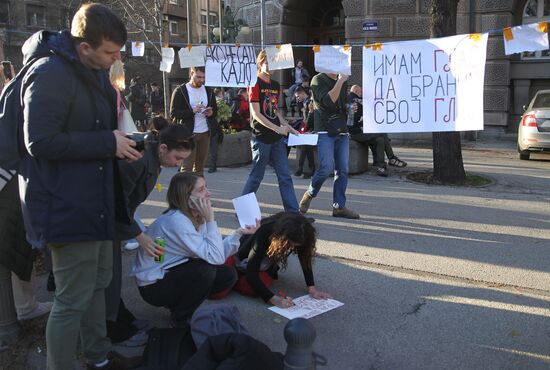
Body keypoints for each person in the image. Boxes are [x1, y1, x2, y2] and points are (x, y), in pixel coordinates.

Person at [18, 3, 143, 369]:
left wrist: (120, 143)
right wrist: (107, 142)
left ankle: (98, 357)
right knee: (72, 299)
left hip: (94, 201)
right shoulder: (51, 72)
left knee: (99, 281)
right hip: (65, 206)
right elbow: (38, 141)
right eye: (110, 52)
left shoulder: (93, 70)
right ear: (84, 47)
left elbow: (91, 132)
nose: (116, 59)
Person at [105, 123, 194, 346]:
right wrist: (139, 235)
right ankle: (113, 329)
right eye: (178, 158)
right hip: (103, 223)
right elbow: (117, 200)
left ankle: (120, 317)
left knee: (111, 277)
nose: (178, 164)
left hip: (114, 221)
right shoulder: (139, 159)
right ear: (163, 147)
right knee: (108, 277)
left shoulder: (152, 154)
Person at [131, 172, 259, 327]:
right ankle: (180, 319)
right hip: (152, 286)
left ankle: (180, 304)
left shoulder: (194, 216)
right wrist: (211, 220)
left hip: (170, 269)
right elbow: (216, 257)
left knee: (227, 275)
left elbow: (215, 255)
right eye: (201, 190)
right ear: (186, 197)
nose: (208, 193)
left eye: (206, 187)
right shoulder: (177, 222)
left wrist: (238, 233)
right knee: (205, 271)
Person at [0, 63, 53, 322]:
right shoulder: (21, 90)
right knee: (16, 247)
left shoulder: (12, 89)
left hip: (10, 180)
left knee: (16, 248)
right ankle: (24, 308)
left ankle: (22, 307)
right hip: (11, 183)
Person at [241, 50, 300, 213]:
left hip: (277, 138)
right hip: (261, 137)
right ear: (260, 63)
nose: (272, 67)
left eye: (275, 63)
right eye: (268, 63)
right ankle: (244, 212)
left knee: (285, 177)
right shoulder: (254, 83)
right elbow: (256, 113)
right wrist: (277, 128)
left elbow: (274, 111)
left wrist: (289, 128)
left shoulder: (275, 85)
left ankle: (293, 214)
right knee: (256, 177)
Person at [233, 212, 331, 308]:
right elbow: (251, 271)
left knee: (260, 283)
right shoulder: (265, 231)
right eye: (290, 244)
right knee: (250, 287)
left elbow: (304, 258)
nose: (292, 247)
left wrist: (312, 288)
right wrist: (273, 298)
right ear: (282, 238)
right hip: (244, 256)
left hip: (265, 261)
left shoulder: (303, 230)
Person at [299, 72, 360, 219]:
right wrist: (340, 82)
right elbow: (328, 101)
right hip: (325, 130)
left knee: (343, 169)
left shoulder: (342, 80)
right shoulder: (317, 79)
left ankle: (339, 207)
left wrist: (349, 108)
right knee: (326, 168)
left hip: (341, 129)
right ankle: (310, 193)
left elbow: (341, 103)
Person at [347, 85, 407, 177]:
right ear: (356, 91)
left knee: (380, 140)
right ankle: (391, 158)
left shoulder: (357, 101)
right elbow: (351, 126)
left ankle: (381, 166)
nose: (362, 94)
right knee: (381, 133)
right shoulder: (352, 101)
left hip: (360, 131)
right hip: (355, 133)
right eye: (361, 92)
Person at [170, 66, 218, 176]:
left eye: (203, 77)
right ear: (191, 74)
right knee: (187, 167)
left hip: (205, 132)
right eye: (198, 77)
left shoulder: (208, 90)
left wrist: (211, 113)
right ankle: (184, 192)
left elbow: (215, 110)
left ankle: (199, 191)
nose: (201, 80)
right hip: (188, 134)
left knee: (200, 167)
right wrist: (192, 111)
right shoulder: (180, 90)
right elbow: (173, 113)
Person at [293, 87, 316, 179]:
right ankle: (307, 167)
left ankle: (302, 167)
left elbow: (308, 120)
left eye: (298, 96)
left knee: (306, 143)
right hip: (311, 129)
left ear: (303, 94)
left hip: (313, 129)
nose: (297, 99)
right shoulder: (306, 102)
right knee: (306, 144)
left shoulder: (307, 103)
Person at [207, 88, 227, 174]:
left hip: (212, 127)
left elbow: (215, 113)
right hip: (212, 127)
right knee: (213, 148)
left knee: (213, 147)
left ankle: (212, 166)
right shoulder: (218, 102)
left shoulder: (213, 101)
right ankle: (212, 166)